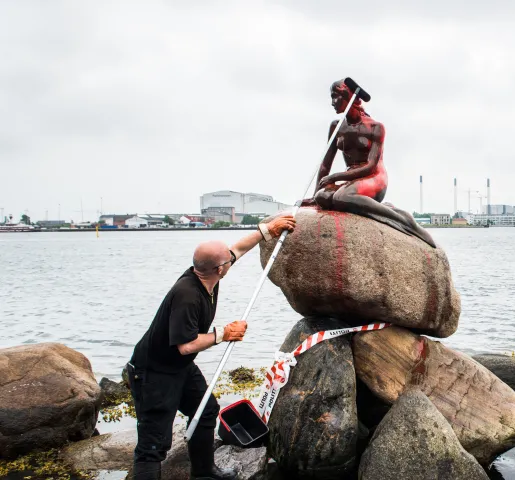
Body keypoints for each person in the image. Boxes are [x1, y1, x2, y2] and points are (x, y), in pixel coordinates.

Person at [126, 215, 295, 480]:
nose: (231, 260)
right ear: (219, 268)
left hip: (180, 367)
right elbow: (185, 345)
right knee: (153, 445)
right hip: (153, 372)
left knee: (205, 410)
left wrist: (267, 231)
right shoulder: (188, 295)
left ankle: (204, 473)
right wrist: (223, 334)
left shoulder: (206, 274)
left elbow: (237, 249)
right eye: (226, 261)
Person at [306, 79, 436, 248]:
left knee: (341, 197)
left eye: (335, 97)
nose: (332, 103)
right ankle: (376, 207)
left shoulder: (375, 127)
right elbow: (326, 164)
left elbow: (371, 166)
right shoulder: (336, 127)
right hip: (352, 180)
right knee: (322, 197)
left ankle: (404, 220)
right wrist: (315, 194)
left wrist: (337, 176)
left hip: (374, 178)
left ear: (348, 97)